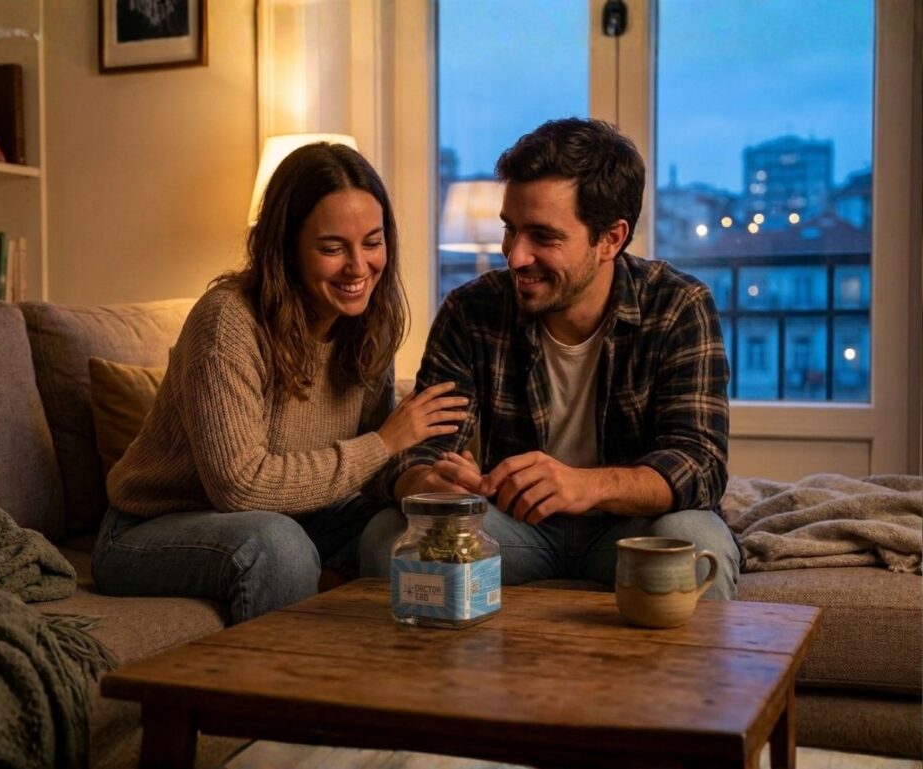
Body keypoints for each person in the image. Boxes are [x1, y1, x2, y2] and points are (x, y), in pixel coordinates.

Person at [360, 118, 740, 598]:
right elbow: (417, 451)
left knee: (700, 541)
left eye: (543, 236)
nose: (515, 256)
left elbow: (700, 463)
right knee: (385, 537)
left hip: (629, 529)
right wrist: (429, 483)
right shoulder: (471, 310)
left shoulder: (678, 306)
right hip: (512, 528)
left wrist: (585, 485)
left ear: (611, 239)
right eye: (510, 229)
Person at [92, 142, 468, 624]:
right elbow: (239, 488)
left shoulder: (370, 324)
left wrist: (420, 480)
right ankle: (287, 691)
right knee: (278, 545)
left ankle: (397, 686)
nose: (358, 267)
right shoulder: (227, 322)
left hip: (301, 516)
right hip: (149, 530)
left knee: (409, 527)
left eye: (372, 242)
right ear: (286, 248)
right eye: (332, 248)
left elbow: (369, 473)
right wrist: (385, 442)